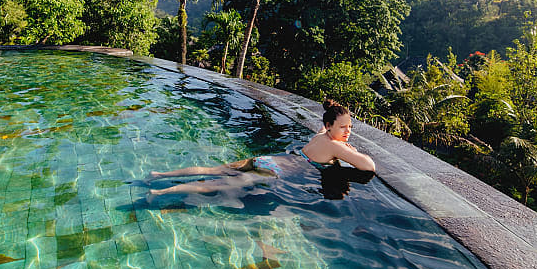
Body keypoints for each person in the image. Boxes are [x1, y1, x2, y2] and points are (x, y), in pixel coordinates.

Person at [147, 99, 375, 196]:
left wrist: (341, 138)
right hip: (273, 171)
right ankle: (160, 192)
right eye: (343, 127)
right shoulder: (336, 147)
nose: (348, 131)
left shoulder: (320, 135)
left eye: (350, 127)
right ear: (330, 125)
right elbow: (369, 166)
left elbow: (324, 131)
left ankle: (159, 175)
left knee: (213, 170)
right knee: (216, 184)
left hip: (266, 160)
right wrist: (351, 151)